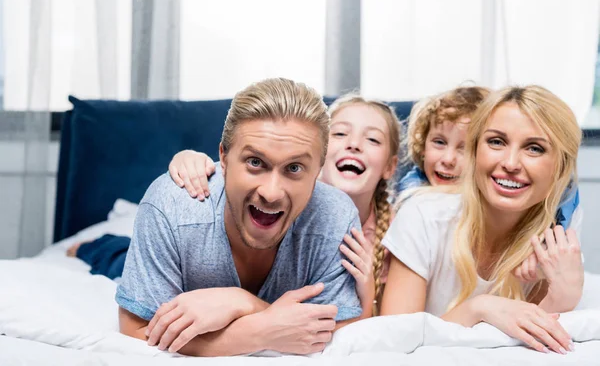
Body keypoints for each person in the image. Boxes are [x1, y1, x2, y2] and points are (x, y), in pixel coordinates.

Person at [116, 78, 367, 357]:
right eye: (255, 162)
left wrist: (240, 302)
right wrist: (262, 331)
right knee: (108, 253)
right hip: (139, 248)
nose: (271, 194)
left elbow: (339, 332)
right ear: (223, 158)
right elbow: (136, 329)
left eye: (294, 168)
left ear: (318, 171)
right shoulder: (170, 207)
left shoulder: (335, 217)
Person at [380, 86, 584, 355]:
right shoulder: (422, 215)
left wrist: (561, 298)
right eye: (496, 142)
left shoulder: (556, 247)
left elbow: (532, 348)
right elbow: (392, 346)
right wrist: (479, 309)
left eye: (534, 148)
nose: (511, 163)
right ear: (476, 151)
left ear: (560, 168)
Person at [169, 94, 402, 315]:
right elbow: (239, 165)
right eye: (340, 134)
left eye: (372, 139)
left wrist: (368, 289)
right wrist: (189, 159)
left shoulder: (396, 234)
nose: (354, 144)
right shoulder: (276, 195)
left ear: (390, 167)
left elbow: (375, 329)